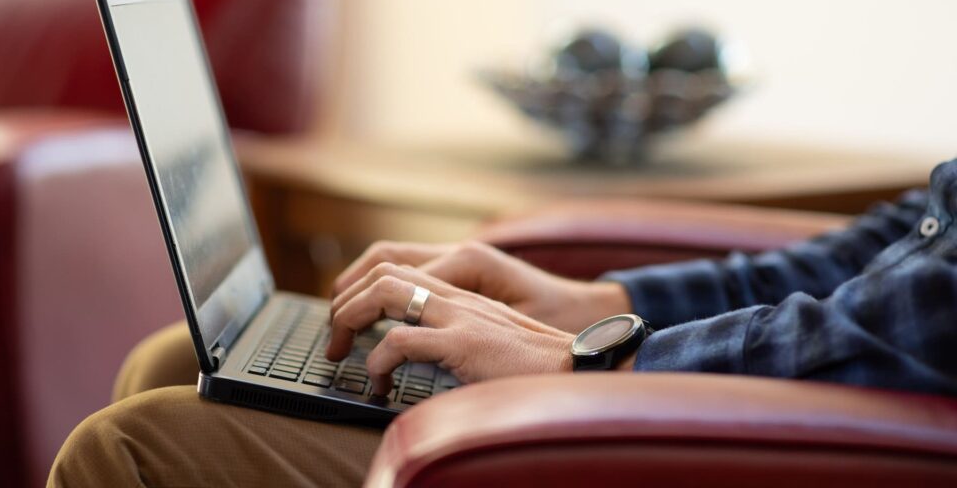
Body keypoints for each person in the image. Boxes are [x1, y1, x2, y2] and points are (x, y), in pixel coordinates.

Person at [47, 160, 957, 487]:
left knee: (132, 450)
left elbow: (925, 322)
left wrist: (592, 365)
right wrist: (598, 306)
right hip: (768, 383)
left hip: (819, 442)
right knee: (180, 356)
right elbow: (906, 241)